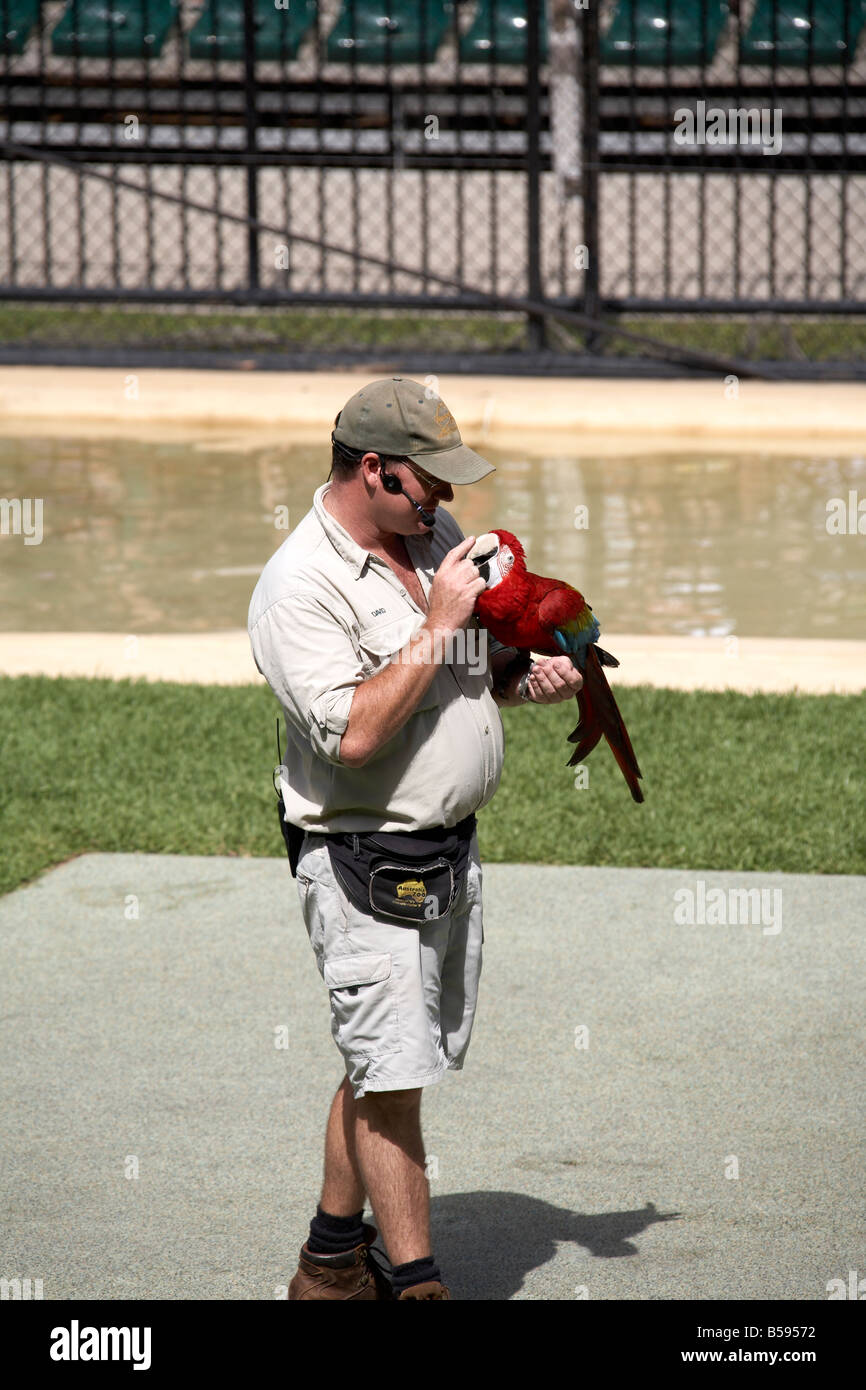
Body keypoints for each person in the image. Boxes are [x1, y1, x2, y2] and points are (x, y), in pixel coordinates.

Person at [247, 377, 582, 1300]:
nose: (445, 499)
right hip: (362, 860)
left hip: (448, 851)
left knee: (380, 1060)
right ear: (372, 469)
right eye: (428, 479)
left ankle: (327, 1266)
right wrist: (437, 623)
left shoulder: (429, 540)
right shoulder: (298, 590)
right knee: (392, 1079)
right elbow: (351, 736)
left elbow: (468, 675)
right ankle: (418, 1280)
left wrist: (523, 679)